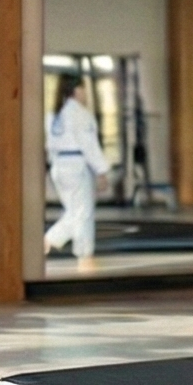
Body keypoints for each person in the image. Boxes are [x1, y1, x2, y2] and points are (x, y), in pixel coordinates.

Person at [43, 73, 110, 259]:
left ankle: (83, 252)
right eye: (84, 89)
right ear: (76, 90)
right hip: (77, 166)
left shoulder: (54, 115)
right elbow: (89, 145)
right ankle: (57, 242)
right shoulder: (80, 114)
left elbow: (49, 145)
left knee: (75, 211)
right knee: (82, 213)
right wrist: (101, 171)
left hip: (59, 166)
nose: (86, 94)